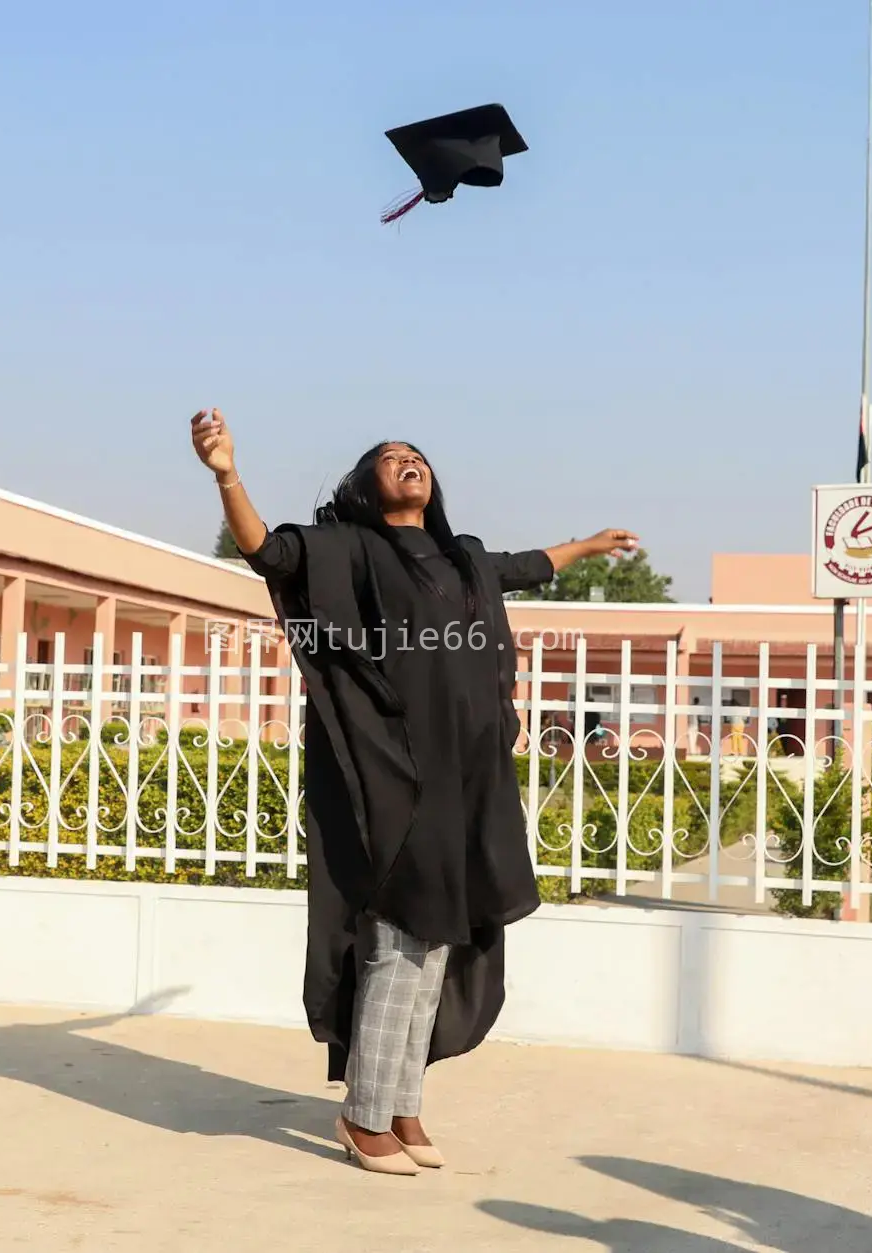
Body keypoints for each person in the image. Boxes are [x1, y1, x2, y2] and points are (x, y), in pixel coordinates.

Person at [189, 408, 638, 1176]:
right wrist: (228, 473)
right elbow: (268, 551)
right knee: (399, 939)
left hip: (466, 777)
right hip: (396, 770)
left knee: (437, 943)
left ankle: (401, 1102)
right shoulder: (351, 549)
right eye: (389, 456)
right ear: (368, 486)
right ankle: (364, 1116)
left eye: (416, 454)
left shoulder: (462, 558)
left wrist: (592, 544)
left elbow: (526, 564)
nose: (407, 460)